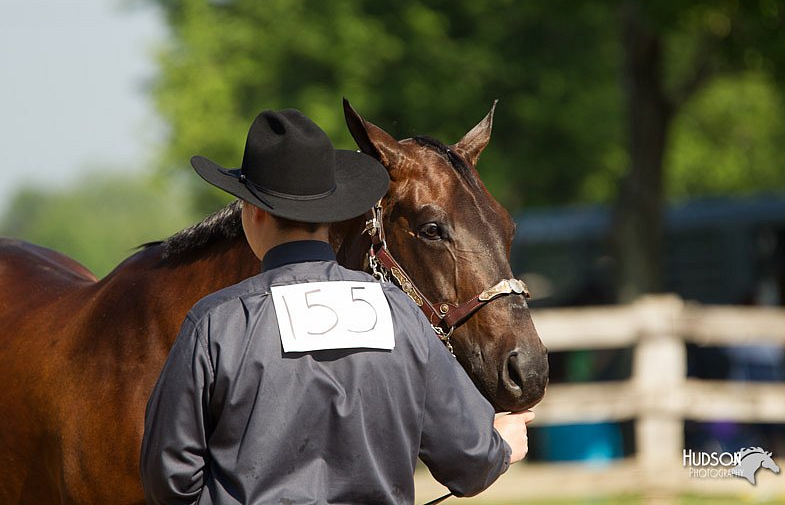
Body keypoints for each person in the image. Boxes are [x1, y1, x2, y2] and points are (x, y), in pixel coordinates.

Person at [139, 108, 534, 504]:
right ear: (332, 211)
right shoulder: (401, 315)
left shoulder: (214, 324)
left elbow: (169, 481)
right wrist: (499, 445)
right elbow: (468, 462)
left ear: (253, 212)